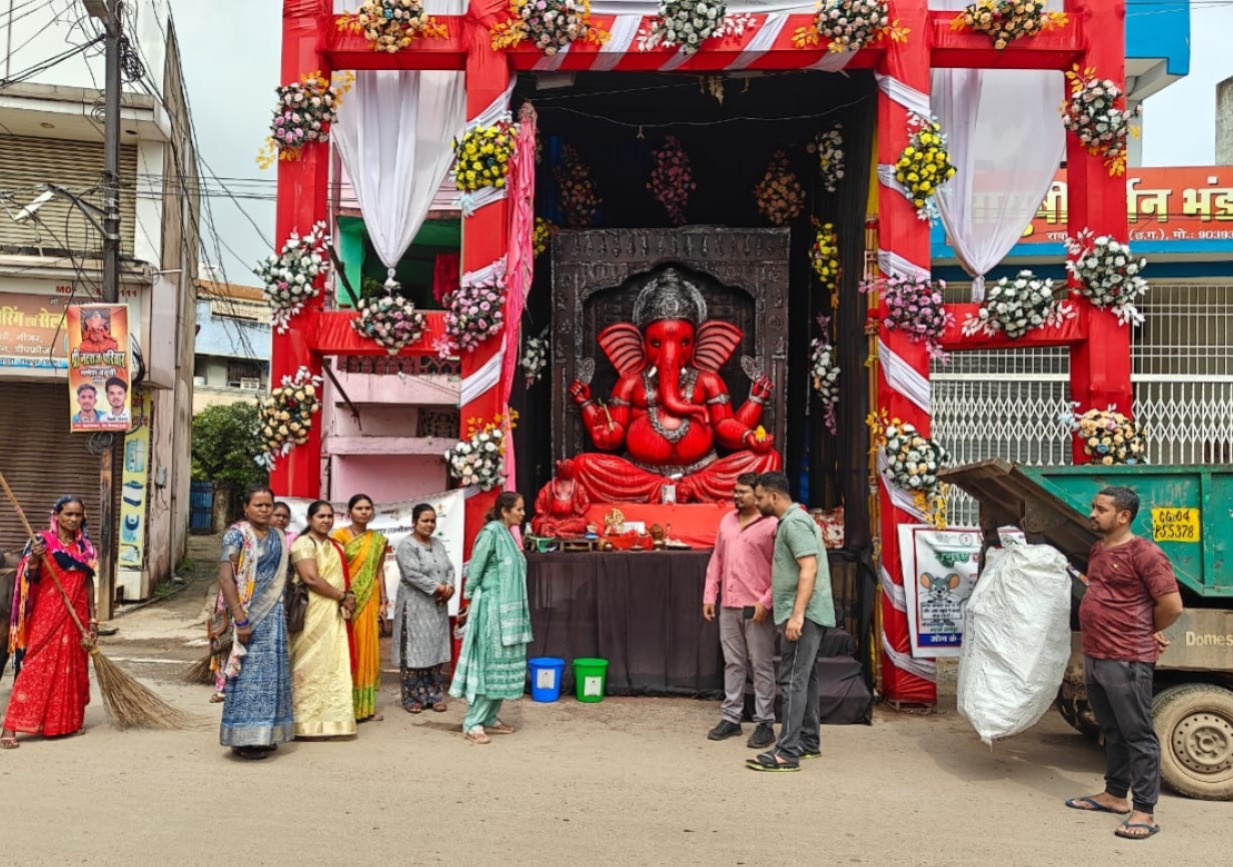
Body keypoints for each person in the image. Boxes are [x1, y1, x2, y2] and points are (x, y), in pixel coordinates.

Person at [1065, 486, 1182, 840]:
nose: (1092, 514)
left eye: (1100, 509)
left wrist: (1147, 629)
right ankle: (1115, 795)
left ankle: (1144, 811)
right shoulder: (1099, 549)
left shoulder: (1146, 553)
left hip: (1127, 658)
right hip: (1097, 654)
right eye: (1093, 507)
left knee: (1138, 734)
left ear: (1123, 516)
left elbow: (1172, 606)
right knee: (1111, 729)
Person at [745, 471, 834, 773]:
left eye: (759, 497)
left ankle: (787, 753)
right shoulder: (794, 521)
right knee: (806, 678)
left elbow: (808, 568)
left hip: (804, 615)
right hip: (807, 612)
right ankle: (808, 742)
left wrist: (797, 614)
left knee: (794, 679)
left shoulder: (794, 523)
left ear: (773, 496)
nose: (756, 503)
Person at [2, 497, 97, 749]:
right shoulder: (41, 541)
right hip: (48, 612)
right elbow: (28, 574)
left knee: (71, 667)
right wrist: (34, 558)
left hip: (76, 614)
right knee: (33, 666)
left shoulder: (85, 548)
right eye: (68, 514)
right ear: (57, 515)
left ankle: (63, 723)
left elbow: (88, 583)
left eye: (78, 515)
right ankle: (9, 727)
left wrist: (93, 617)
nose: (73, 519)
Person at [449, 491, 533, 744]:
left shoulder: (507, 535)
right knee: (489, 664)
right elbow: (475, 570)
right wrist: (468, 600)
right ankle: (473, 722)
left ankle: (489, 716)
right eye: (518, 509)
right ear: (505, 511)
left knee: (504, 664)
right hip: (492, 611)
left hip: (509, 611)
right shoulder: (490, 534)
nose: (523, 513)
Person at [217, 486, 294, 759]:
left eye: (268, 505)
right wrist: (240, 619)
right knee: (247, 677)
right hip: (247, 616)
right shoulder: (236, 535)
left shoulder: (278, 536)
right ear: (246, 508)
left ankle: (266, 735)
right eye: (258, 505)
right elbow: (226, 578)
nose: (264, 509)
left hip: (273, 617)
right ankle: (242, 738)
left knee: (271, 677)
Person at [702, 472, 777, 749]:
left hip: (756, 607)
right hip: (728, 605)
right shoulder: (727, 521)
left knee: (761, 664)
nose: (736, 496)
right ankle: (731, 718)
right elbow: (717, 559)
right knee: (733, 662)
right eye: (735, 491)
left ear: (757, 496)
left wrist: (766, 602)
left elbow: (780, 569)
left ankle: (765, 723)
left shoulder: (771, 525)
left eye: (742, 492)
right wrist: (710, 594)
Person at [288, 501, 357, 740]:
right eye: (321, 516)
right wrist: (341, 596)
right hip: (311, 611)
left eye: (329, 516)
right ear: (309, 520)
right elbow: (310, 578)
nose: (326, 520)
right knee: (306, 665)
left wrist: (344, 600)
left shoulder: (334, 545)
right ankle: (301, 722)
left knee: (331, 666)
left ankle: (330, 721)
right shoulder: (303, 543)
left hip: (332, 613)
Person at [332, 494, 390, 723]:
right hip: (347, 599)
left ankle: (366, 707)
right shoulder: (339, 536)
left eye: (368, 508)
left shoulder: (378, 540)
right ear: (350, 511)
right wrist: (340, 597)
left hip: (370, 599)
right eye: (359, 508)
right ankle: (345, 706)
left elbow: (379, 570)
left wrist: (384, 601)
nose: (364, 512)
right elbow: (333, 568)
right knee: (347, 650)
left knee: (367, 650)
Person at [393, 504, 456, 714]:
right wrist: (438, 588)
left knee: (435, 648)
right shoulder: (407, 546)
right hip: (415, 605)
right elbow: (412, 575)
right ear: (414, 522)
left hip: (436, 605)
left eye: (432, 521)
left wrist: (449, 586)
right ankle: (412, 697)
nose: (429, 525)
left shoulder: (437, 544)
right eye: (424, 521)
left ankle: (434, 695)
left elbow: (449, 568)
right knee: (414, 650)